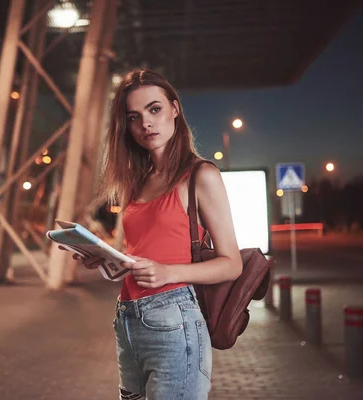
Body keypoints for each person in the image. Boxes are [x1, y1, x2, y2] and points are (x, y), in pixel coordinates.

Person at [66, 69, 242, 400]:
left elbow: (232, 263)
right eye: (134, 117)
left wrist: (167, 272)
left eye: (155, 109)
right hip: (128, 319)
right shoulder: (137, 182)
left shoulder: (200, 175)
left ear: (175, 109)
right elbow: (137, 255)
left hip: (175, 320)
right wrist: (103, 259)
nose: (146, 123)